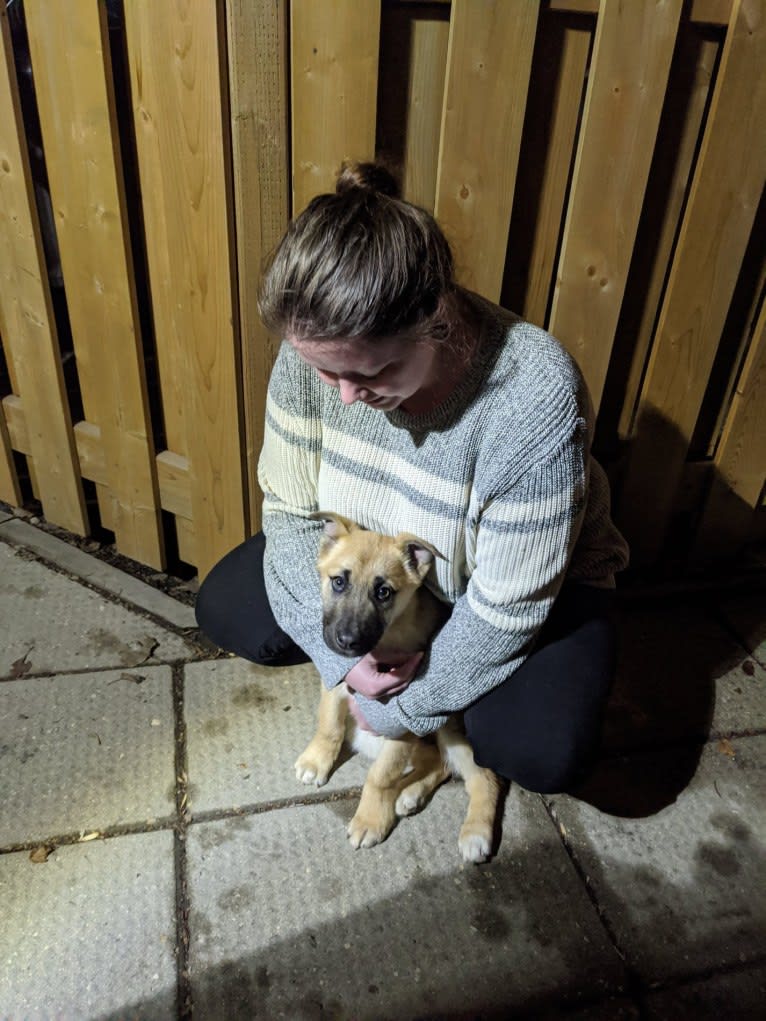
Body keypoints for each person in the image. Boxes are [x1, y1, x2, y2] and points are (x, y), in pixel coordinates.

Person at [195, 159, 629, 794]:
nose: (343, 398)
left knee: (534, 750)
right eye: (324, 372)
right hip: (384, 572)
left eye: (371, 374)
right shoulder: (311, 347)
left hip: (513, 587)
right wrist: (342, 666)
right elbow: (286, 510)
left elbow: (507, 610)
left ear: (436, 317)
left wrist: (393, 708)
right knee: (230, 609)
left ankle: (462, 711)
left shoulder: (533, 396)